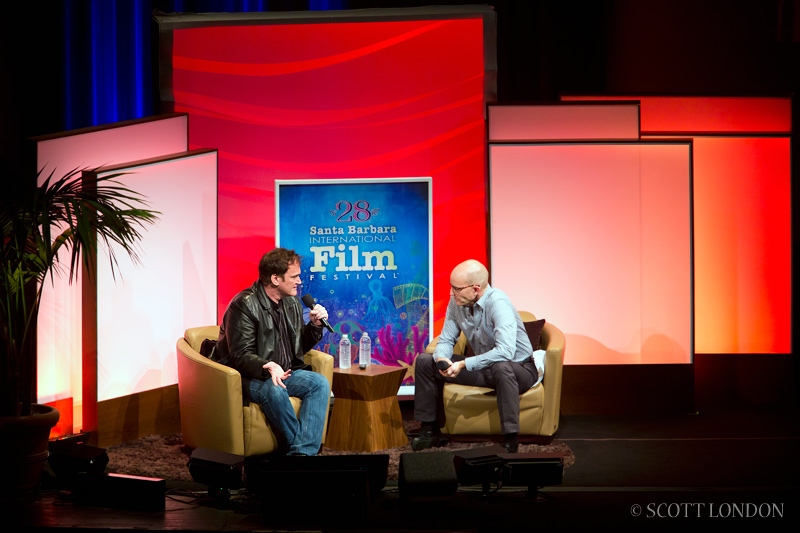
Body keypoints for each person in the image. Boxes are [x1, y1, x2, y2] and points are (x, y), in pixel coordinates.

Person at [210, 248, 330, 456]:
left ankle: (301, 455)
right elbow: (240, 355)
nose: (299, 282)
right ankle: (304, 455)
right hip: (250, 376)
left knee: (319, 383)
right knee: (275, 389)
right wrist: (268, 366)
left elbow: (298, 346)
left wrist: (315, 326)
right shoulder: (244, 305)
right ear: (275, 278)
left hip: (285, 372)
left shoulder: (291, 302)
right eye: (294, 277)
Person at [411, 259, 536, 453]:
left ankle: (511, 439)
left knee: (501, 366)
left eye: (457, 289)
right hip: (484, 370)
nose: (452, 293)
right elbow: (446, 340)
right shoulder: (456, 303)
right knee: (425, 361)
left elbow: (505, 352)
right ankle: (429, 431)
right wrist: (443, 360)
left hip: (517, 370)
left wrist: (462, 364)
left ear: (475, 289)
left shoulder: (498, 303)